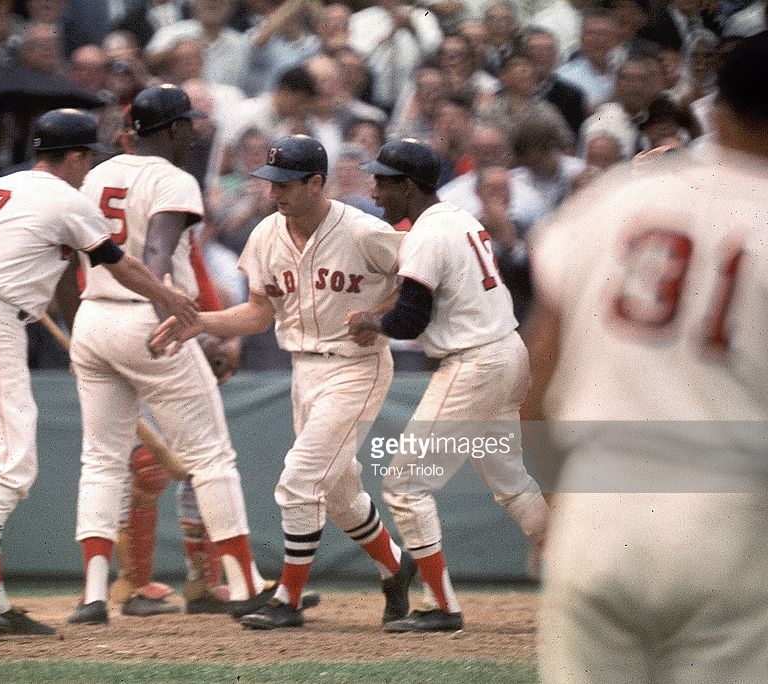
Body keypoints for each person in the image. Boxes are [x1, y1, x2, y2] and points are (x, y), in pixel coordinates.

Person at [524, 31, 768, 683]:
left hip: (600, 502)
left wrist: (553, 506)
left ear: (716, 111)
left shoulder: (622, 198)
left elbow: (539, 368)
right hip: (730, 513)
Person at [0, 107, 197, 635]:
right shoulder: (64, 198)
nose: (87, 168)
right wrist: (169, 296)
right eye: (86, 158)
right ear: (73, 156)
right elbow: (119, 264)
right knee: (12, 466)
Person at [152, 134, 416, 631]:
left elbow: (417, 283)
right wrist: (203, 323)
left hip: (356, 366)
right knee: (337, 492)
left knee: (299, 480)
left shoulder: (363, 230)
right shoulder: (266, 235)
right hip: (303, 368)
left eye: (288, 184)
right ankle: (396, 565)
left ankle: (288, 597)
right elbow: (258, 312)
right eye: (271, 183)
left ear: (317, 183)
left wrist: (380, 313)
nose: (276, 193)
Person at [68, 83, 270, 626]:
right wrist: (174, 324)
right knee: (211, 456)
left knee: (102, 461)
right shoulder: (173, 177)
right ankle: (245, 582)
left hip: (93, 317)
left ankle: (92, 594)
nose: (195, 133)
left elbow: (79, 257)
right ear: (176, 129)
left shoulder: (97, 174)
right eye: (190, 125)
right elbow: (157, 253)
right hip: (147, 317)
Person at [346, 137, 549, 632]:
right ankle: (576, 574)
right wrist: (380, 313)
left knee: (404, 485)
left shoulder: (428, 234)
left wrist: (371, 323)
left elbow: (411, 321)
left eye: (385, 181)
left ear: (410, 186)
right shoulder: (459, 218)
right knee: (511, 483)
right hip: (504, 352)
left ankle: (442, 606)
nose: (375, 189)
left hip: (474, 362)